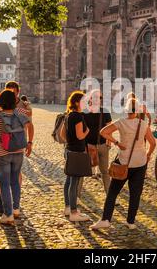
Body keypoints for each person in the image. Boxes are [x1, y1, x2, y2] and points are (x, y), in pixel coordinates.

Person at [90, 98, 156, 230]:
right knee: (135, 193)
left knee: (113, 192)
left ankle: (106, 219)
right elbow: (153, 143)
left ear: (126, 111)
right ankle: (130, 222)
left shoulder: (121, 122)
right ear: (137, 111)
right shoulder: (143, 124)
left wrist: (116, 143)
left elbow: (103, 132)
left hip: (124, 161)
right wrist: (148, 155)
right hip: (140, 163)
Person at [0, 81, 33, 215]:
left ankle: (8, 214)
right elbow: (29, 120)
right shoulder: (21, 112)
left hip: (2, 153)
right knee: (15, 181)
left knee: (4, 183)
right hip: (18, 151)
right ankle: (16, 209)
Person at [60, 91, 92, 222]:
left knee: (68, 181)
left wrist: (70, 141)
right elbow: (80, 136)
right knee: (74, 182)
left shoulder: (68, 115)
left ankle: (68, 207)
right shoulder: (78, 116)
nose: (85, 103)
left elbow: (62, 134)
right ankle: (73, 212)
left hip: (69, 150)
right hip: (77, 152)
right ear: (77, 102)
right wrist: (87, 131)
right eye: (84, 101)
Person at [83, 89, 112, 193]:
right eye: (95, 97)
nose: (97, 99)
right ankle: (76, 197)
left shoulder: (105, 111)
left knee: (105, 172)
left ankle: (109, 195)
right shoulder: (84, 112)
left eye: (100, 97)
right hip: (88, 146)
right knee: (81, 172)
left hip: (102, 145)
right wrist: (85, 145)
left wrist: (109, 143)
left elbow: (109, 128)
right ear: (90, 98)